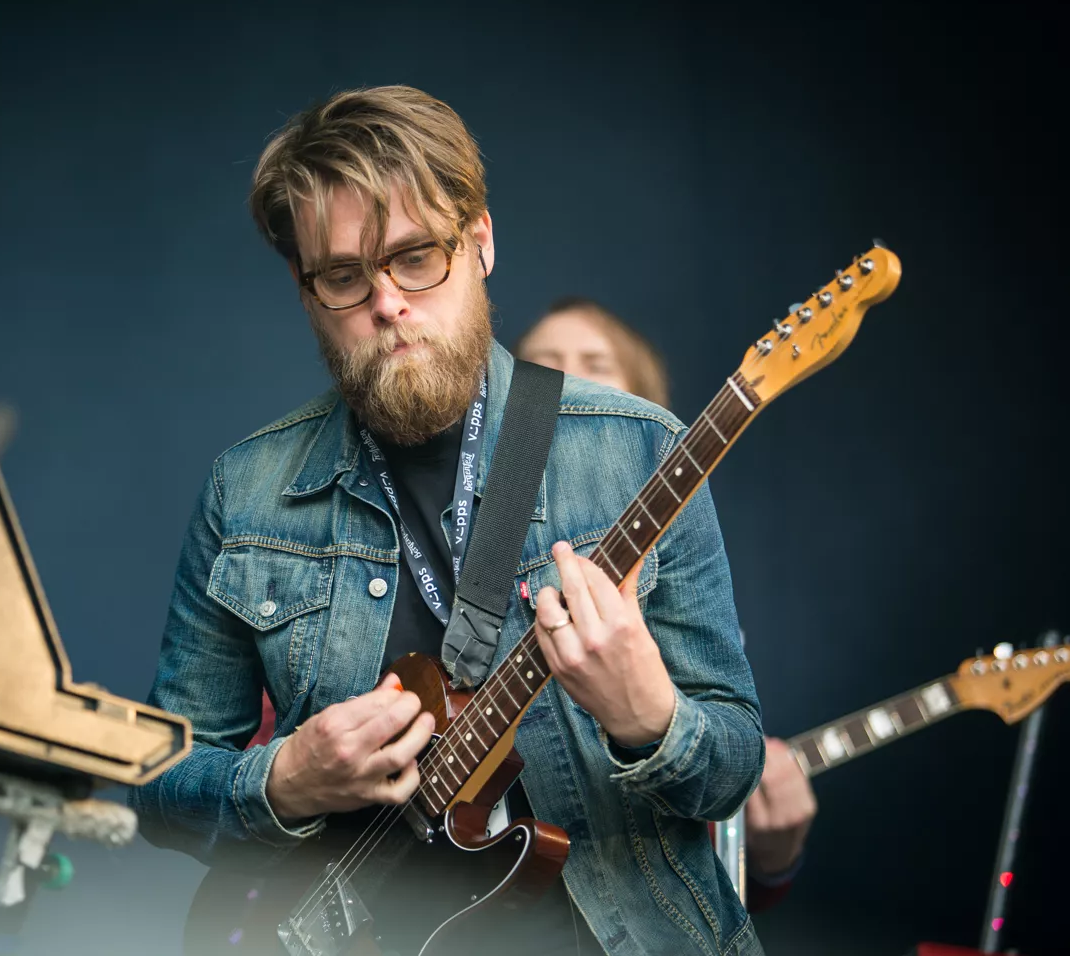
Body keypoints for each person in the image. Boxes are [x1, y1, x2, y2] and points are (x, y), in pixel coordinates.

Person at [129, 85, 766, 955]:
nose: (387, 302)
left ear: (481, 242)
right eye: (344, 276)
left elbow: (733, 765)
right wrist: (285, 781)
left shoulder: (641, 451)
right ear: (305, 292)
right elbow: (160, 777)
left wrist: (650, 717)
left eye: (417, 257)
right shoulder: (245, 491)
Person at [514, 296, 817, 912]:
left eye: (595, 364)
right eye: (544, 367)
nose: (569, 382)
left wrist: (774, 860)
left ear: (643, 404)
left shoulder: (688, 561)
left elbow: (716, 833)